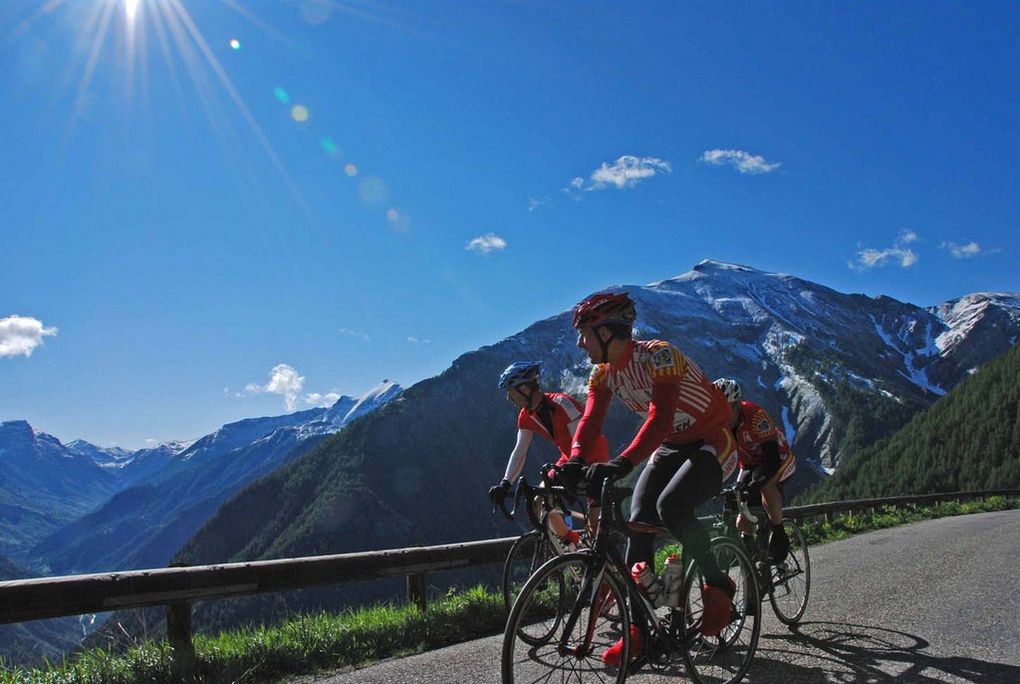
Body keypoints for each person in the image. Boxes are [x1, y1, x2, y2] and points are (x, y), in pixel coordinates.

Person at [569, 291, 739, 666]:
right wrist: (576, 459)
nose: (580, 344)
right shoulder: (602, 373)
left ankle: (717, 582)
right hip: (671, 446)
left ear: (610, 332)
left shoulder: (660, 355)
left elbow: (660, 418)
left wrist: (623, 462)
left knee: (672, 505)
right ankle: (640, 633)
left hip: (713, 440)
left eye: (585, 334)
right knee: (638, 519)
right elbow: (591, 421)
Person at [488, 361, 609, 548]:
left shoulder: (562, 403)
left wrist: (578, 468)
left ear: (526, 388)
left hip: (593, 458)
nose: (508, 398)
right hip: (568, 459)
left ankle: (604, 563)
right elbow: (520, 450)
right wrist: (506, 483)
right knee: (539, 501)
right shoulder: (526, 416)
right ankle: (573, 547)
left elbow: (584, 437)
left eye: (510, 391)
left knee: (595, 523)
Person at [713, 378, 796, 563]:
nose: (723, 415)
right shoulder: (717, 423)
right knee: (739, 498)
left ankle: (778, 531)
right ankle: (751, 553)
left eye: (727, 409)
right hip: (750, 463)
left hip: (779, 457)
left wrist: (755, 484)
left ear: (736, 406)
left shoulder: (756, 415)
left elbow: (772, 460)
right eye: (718, 410)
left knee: (765, 484)